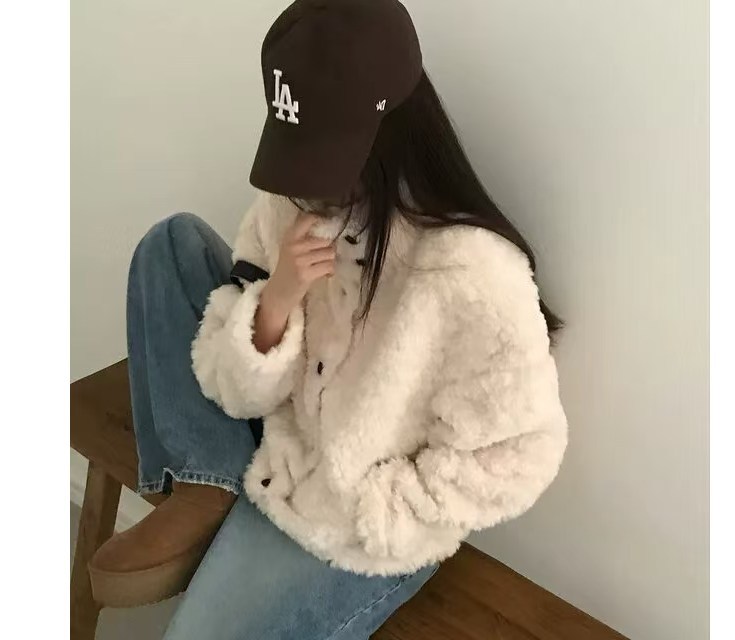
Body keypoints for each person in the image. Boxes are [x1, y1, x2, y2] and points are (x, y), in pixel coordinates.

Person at [87, 0, 568, 637]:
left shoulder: (469, 273)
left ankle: (222, 485)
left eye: (324, 156)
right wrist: (278, 299)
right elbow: (239, 391)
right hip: (281, 442)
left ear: (392, 131)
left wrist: (379, 509)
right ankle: (209, 482)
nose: (306, 186)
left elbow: (523, 452)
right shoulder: (289, 205)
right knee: (170, 244)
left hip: (354, 519)